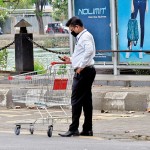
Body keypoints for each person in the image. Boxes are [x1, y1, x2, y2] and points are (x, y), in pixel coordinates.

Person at [58, 16, 96, 137]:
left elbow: (89, 51)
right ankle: (87, 129)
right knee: (86, 101)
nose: (71, 32)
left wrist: (81, 66)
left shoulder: (84, 37)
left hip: (84, 72)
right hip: (88, 71)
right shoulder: (84, 36)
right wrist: (70, 59)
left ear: (77, 27)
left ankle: (73, 128)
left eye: (71, 30)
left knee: (75, 100)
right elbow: (82, 53)